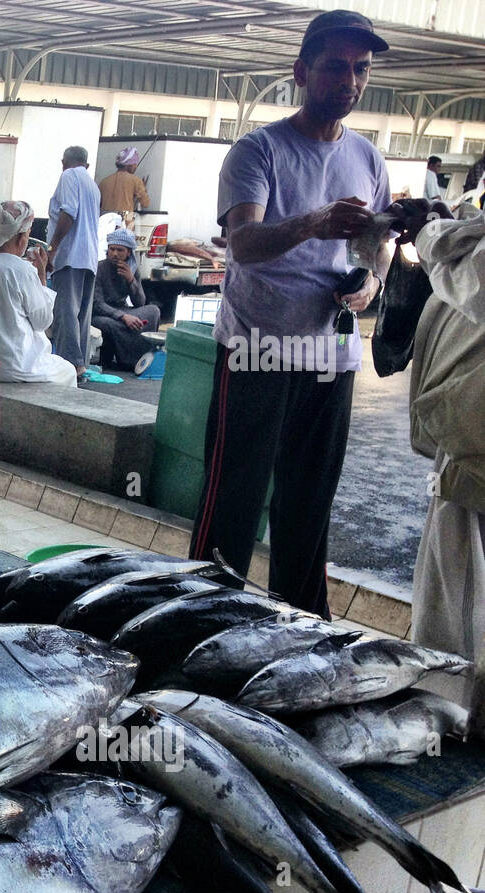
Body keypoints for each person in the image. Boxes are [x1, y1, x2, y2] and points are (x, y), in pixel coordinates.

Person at [189, 9, 394, 616]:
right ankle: (199, 614)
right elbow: (244, 246)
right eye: (336, 68)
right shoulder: (259, 151)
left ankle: (301, 625)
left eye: (360, 70)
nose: (349, 82)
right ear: (301, 72)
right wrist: (316, 221)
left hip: (331, 356)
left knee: (309, 502)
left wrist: (371, 285)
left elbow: (376, 244)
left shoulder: (369, 158)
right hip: (258, 350)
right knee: (234, 499)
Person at [395, 201, 485, 724]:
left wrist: (433, 233)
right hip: (467, 435)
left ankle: (456, 711)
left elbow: (476, 279)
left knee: (460, 581)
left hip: (473, 446)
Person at [0, 200, 76, 386]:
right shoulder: (21, 270)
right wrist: (41, 276)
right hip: (12, 366)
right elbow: (42, 321)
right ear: (22, 237)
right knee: (68, 370)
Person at [47, 145, 101, 383]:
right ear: (86, 164)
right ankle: (80, 365)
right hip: (89, 256)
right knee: (80, 315)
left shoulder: (69, 176)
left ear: (63, 162)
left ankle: (73, 367)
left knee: (65, 311)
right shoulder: (92, 183)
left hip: (70, 255)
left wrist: (53, 248)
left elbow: (68, 212)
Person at [92, 228, 161, 372]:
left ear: (128, 252)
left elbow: (140, 303)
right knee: (109, 324)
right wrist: (123, 317)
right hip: (101, 314)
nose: (115, 254)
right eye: (112, 249)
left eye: (120, 250)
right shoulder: (99, 268)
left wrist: (131, 280)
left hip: (122, 309)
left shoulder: (132, 269)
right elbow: (97, 304)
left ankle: (141, 358)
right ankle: (128, 361)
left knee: (153, 311)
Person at [97, 147, 150, 229]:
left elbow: (98, 204)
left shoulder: (104, 182)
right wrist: (143, 189)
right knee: (124, 241)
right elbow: (146, 204)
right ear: (129, 165)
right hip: (126, 220)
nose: (136, 167)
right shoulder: (135, 180)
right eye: (135, 164)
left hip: (104, 222)